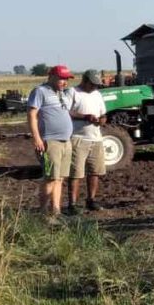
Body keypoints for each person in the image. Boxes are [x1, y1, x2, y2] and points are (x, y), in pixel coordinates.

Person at [27, 65, 75, 219]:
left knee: (59, 178)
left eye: (67, 79)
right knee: (50, 178)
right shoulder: (40, 91)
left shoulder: (62, 94)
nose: (64, 82)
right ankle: (43, 213)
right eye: (62, 78)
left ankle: (56, 211)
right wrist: (37, 138)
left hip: (65, 141)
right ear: (52, 76)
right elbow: (32, 115)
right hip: (50, 142)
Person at [67, 69, 107, 213]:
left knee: (94, 171)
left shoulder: (97, 94)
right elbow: (66, 111)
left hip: (96, 138)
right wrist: (85, 117)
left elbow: (103, 114)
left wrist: (101, 120)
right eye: (92, 84)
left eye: (96, 84)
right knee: (76, 172)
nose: (94, 87)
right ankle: (72, 204)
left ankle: (91, 200)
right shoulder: (73, 92)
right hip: (78, 137)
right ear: (84, 81)